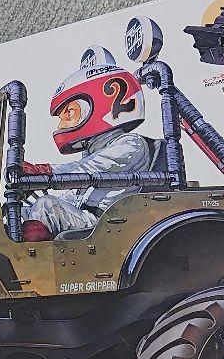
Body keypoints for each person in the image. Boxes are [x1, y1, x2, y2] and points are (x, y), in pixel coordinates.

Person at [20, 46, 167, 240]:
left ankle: (30, 258)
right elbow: (73, 194)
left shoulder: (131, 144)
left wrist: (43, 171)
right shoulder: (93, 154)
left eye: (69, 113)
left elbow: (86, 170)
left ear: (96, 106)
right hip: (93, 223)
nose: (61, 125)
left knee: (46, 206)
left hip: (108, 227)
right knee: (23, 212)